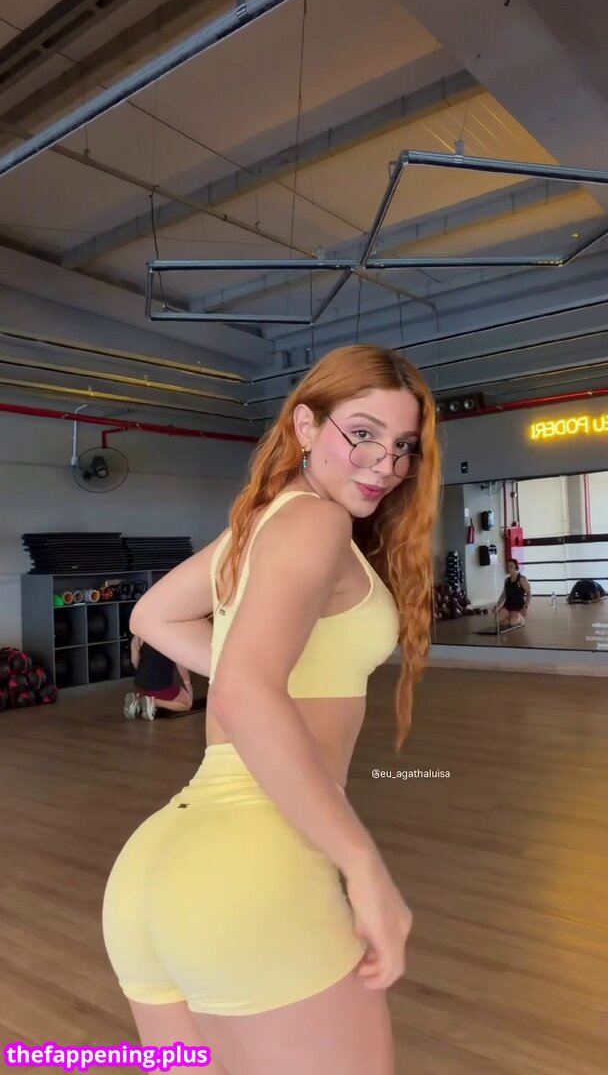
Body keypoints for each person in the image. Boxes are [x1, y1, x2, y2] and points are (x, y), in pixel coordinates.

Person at [101, 344, 441, 1075]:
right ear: (306, 426)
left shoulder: (260, 524)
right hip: (254, 872)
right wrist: (364, 866)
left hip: (154, 876)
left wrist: (258, 673)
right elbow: (244, 691)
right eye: (363, 433)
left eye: (403, 446)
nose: (386, 463)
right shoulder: (316, 523)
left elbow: (153, 615)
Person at [124, 635, 193, 720]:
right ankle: (154, 702)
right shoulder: (171, 638)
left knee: (148, 690)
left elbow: (134, 662)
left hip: (140, 684)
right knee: (187, 703)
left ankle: (138, 701)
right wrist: (187, 683)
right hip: (160, 685)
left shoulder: (137, 638)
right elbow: (180, 664)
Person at [494, 558, 531, 627]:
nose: (509, 568)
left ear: (516, 567)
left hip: (518, 606)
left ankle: (520, 619)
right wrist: (497, 606)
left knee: (512, 623)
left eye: (511, 566)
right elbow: (504, 594)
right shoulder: (506, 580)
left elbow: (528, 594)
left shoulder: (522, 579)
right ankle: (509, 617)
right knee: (497, 620)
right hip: (508, 605)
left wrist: (525, 607)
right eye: (507, 566)